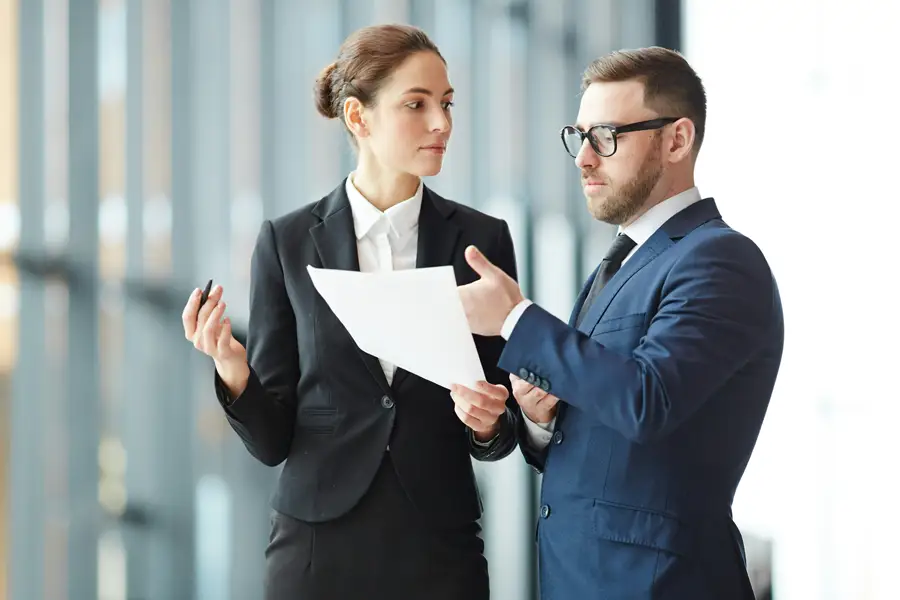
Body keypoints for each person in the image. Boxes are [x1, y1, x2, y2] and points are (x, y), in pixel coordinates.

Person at [181, 24, 520, 600]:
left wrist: (488, 421)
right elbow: (272, 442)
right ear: (359, 118)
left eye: (446, 103)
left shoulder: (482, 240)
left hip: (439, 548)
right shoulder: (287, 242)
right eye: (416, 104)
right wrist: (234, 370)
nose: (442, 123)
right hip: (316, 551)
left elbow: (500, 424)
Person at [456, 47, 784, 599]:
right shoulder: (623, 260)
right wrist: (541, 419)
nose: (584, 158)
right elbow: (608, 444)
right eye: (578, 136)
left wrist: (515, 317)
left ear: (676, 139)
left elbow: (647, 400)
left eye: (606, 136)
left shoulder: (721, 260)